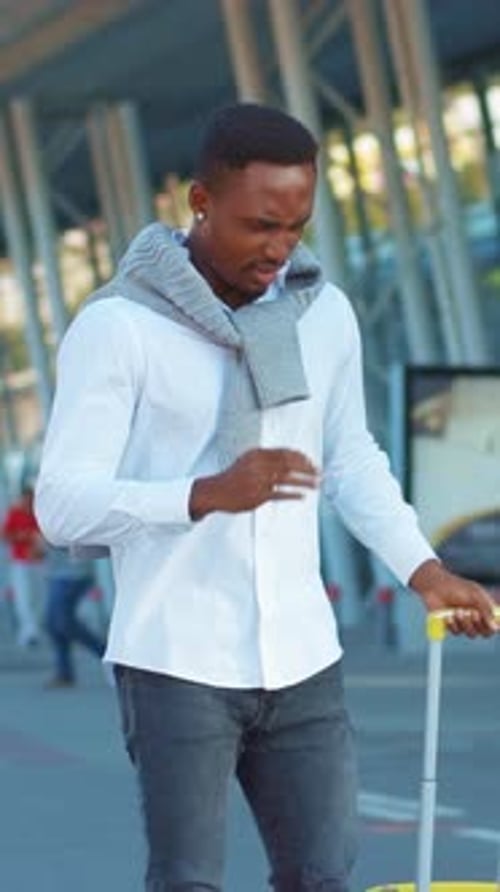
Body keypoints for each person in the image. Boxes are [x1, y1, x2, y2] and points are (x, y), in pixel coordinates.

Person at [34, 103, 497, 892]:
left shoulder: (323, 315)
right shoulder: (120, 328)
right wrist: (204, 493)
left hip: (303, 656)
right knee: (188, 882)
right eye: (259, 226)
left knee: (322, 879)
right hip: (175, 659)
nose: (280, 250)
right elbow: (62, 505)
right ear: (200, 203)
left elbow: (351, 460)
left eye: (297, 225)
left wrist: (425, 570)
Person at [43, 547, 106, 688]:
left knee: (63, 622)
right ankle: (64, 673)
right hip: (57, 573)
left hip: (75, 572)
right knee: (53, 624)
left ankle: (107, 654)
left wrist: (47, 539)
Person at [2, 483, 44, 646]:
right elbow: (5, 535)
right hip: (20, 561)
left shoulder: (38, 513)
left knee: (39, 597)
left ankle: (34, 627)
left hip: (38, 561)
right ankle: (29, 631)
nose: (28, 501)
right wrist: (22, 536)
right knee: (23, 597)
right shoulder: (15, 513)